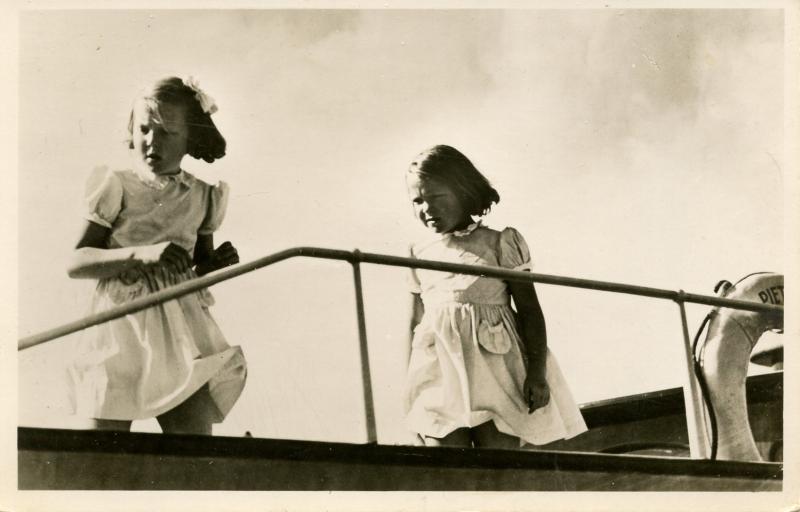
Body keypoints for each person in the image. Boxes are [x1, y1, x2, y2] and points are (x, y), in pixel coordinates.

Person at [66, 76, 246, 435]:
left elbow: (197, 263)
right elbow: (77, 262)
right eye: (145, 129)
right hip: (121, 326)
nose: (151, 141)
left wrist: (213, 263)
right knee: (100, 449)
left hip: (182, 328)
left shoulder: (202, 196)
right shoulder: (116, 185)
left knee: (192, 444)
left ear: (189, 138)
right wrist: (142, 254)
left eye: (166, 133)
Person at [403, 144, 587, 448]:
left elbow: (529, 310)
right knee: (446, 458)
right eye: (418, 200)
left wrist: (537, 374)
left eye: (436, 197)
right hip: (441, 376)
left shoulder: (501, 242)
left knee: (498, 460)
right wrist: (409, 389)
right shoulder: (417, 253)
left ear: (463, 192)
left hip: (496, 368)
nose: (427, 208)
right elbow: (414, 323)